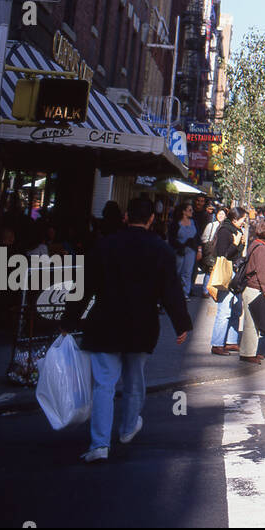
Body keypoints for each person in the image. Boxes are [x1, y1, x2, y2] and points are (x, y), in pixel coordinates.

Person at [59, 196, 191, 463]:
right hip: (141, 325)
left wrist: (68, 320)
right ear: (152, 219)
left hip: (105, 323)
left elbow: (83, 287)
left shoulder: (105, 245)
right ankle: (128, 428)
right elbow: (171, 291)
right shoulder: (160, 249)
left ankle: (99, 444)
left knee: (104, 384)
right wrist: (181, 324)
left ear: (126, 217)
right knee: (134, 381)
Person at [209, 207, 246, 354]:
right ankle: (217, 344)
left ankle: (231, 340)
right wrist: (236, 244)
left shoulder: (238, 231)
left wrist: (240, 243)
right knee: (224, 310)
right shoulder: (225, 231)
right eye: (242, 219)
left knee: (236, 309)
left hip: (236, 273)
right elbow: (224, 255)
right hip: (226, 272)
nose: (244, 222)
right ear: (235, 219)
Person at [238, 218, 265, 365]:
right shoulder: (263, 249)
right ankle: (247, 353)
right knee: (252, 322)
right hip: (254, 288)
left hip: (250, 287)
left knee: (252, 321)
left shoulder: (255, 243)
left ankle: (250, 351)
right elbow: (262, 271)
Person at [168, 202, 199, 298]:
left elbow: (198, 237)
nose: (192, 212)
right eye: (189, 210)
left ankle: (185, 293)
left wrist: (199, 249)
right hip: (179, 251)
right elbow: (171, 239)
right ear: (183, 212)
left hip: (191, 252)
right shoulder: (176, 224)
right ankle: (173, 292)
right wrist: (181, 246)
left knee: (187, 273)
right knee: (177, 272)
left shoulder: (194, 222)